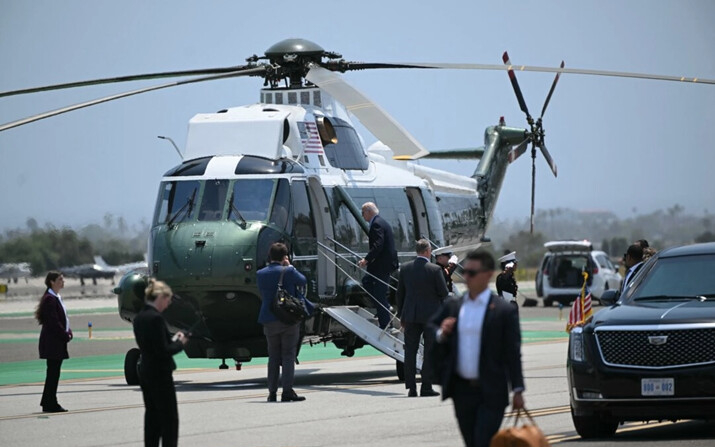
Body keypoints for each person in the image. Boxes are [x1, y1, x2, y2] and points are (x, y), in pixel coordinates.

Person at [429, 250, 525, 447]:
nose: (466, 278)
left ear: (488, 274)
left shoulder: (504, 311)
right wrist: (442, 332)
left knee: (483, 441)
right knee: (472, 442)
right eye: (466, 273)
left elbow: (512, 352)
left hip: (492, 390)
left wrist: (517, 389)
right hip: (462, 392)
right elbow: (431, 327)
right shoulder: (455, 306)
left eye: (472, 273)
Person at [133, 279, 188, 447]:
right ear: (161, 297)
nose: (169, 303)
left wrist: (172, 340)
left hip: (146, 371)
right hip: (160, 374)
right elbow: (163, 351)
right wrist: (181, 343)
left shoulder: (139, 317)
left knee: (152, 417)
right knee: (169, 420)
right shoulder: (156, 318)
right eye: (168, 299)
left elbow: (153, 345)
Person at [396, 239, 449, 397]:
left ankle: (411, 388)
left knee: (410, 352)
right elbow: (444, 293)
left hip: (410, 316)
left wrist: (401, 315)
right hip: (431, 317)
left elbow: (400, 294)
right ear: (427, 251)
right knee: (429, 351)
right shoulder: (434, 270)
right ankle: (426, 386)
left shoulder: (405, 268)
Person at [257, 242, 308, 402]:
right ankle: (287, 391)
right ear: (285, 256)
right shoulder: (289, 271)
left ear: (269, 256)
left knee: (273, 356)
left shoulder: (260, 273)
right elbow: (303, 281)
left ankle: (272, 392)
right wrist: (290, 266)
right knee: (288, 355)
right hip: (288, 319)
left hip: (269, 318)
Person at [35, 271, 73, 413]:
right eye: (60, 279)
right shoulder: (50, 299)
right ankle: (50, 403)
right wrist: (64, 334)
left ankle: (48, 401)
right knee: (53, 373)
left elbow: (62, 319)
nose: (63, 281)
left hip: (56, 341)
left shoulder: (55, 297)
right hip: (53, 342)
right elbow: (53, 322)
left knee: (53, 373)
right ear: (52, 281)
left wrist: (68, 331)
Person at [358, 202, 398, 329]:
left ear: (369, 212)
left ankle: (385, 323)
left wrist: (366, 260)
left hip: (381, 266)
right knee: (366, 281)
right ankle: (385, 308)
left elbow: (378, 245)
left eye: (363, 212)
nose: (362, 215)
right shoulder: (382, 222)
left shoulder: (376, 224)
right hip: (383, 265)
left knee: (379, 294)